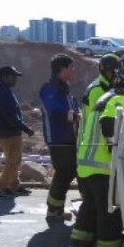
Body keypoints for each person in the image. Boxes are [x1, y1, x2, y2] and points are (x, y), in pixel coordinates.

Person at [71, 66, 124, 247]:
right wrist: (114, 148)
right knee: (109, 210)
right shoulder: (119, 100)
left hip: (86, 164)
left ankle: (81, 246)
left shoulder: (104, 97)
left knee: (90, 205)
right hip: (102, 165)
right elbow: (108, 123)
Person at [39, 54, 80, 223]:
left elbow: (72, 109)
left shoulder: (65, 89)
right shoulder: (49, 89)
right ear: (61, 69)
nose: (73, 70)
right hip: (58, 138)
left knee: (66, 173)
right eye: (70, 67)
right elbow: (54, 111)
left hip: (69, 137)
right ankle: (53, 210)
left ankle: (56, 209)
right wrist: (73, 116)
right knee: (65, 172)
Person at [0, 65, 35, 199]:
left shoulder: (0, 90)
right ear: (4, 77)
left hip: (1, 132)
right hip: (10, 133)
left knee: (13, 160)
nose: (15, 80)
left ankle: (13, 185)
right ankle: (0, 188)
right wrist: (26, 128)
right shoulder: (3, 93)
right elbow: (10, 116)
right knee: (13, 162)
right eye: (13, 77)